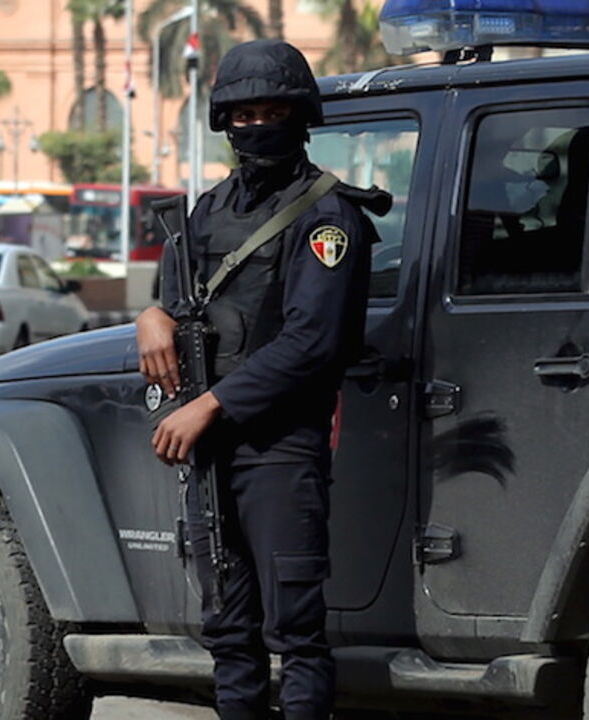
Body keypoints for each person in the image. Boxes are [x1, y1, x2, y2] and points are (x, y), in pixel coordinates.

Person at [135, 40, 390, 720]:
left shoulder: (326, 217)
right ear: (225, 120)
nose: (258, 124)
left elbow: (313, 342)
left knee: (296, 636)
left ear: (301, 117)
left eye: (274, 110)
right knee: (228, 633)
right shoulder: (208, 212)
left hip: (278, 448)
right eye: (245, 113)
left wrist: (209, 406)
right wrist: (149, 316)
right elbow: (181, 303)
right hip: (209, 448)